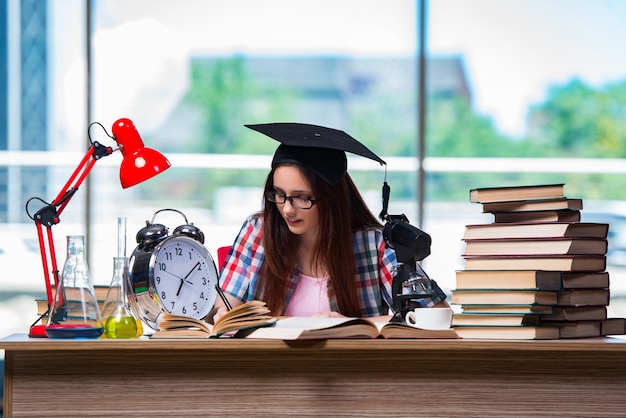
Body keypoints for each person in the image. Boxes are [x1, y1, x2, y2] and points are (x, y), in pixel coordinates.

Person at [212, 122, 449, 322]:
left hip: (349, 371)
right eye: (279, 194)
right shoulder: (258, 231)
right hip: (269, 371)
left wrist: (352, 325)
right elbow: (224, 307)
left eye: (302, 198)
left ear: (331, 199)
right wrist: (221, 314)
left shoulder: (375, 246)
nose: (286, 209)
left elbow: (437, 315)